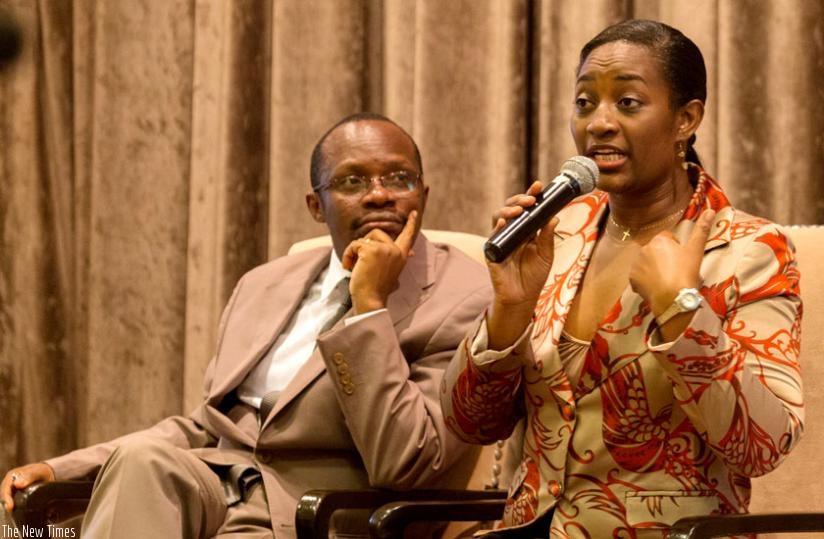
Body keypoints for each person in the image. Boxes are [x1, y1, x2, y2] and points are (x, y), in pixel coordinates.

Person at [2, 112, 492, 538]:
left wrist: (369, 306)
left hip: (319, 514)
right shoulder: (264, 284)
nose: (379, 195)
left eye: (399, 178)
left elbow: (406, 461)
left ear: (423, 195)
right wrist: (59, 467)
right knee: (141, 462)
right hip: (214, 488)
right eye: (351, 182)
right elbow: (206, 424)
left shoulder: (463, 295)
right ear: (315, 206)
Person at [441, 19, 804, 538]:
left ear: (686, 119)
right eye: (585, 103)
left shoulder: (749, 250)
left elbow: (765, 444)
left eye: (627, 103)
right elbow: (469, 423)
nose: (599, 124)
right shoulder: (556, 232)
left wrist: (682, 310)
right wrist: (509, 311)